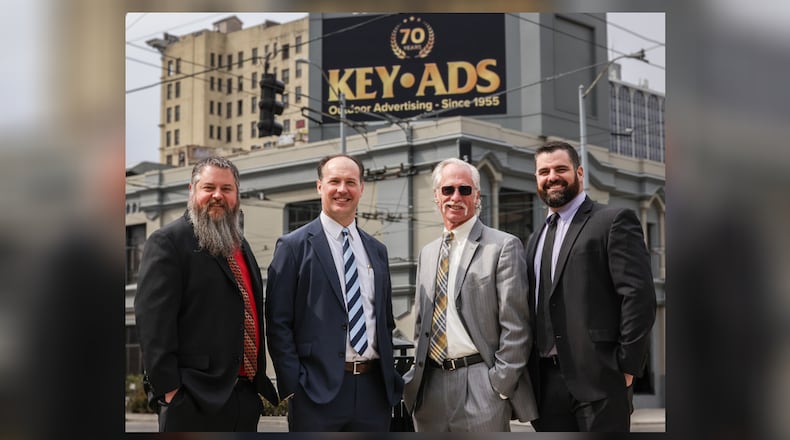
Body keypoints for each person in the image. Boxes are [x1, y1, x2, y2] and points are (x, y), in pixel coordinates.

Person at [134, 156, 278, 432]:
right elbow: (153, 327)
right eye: (208, 187)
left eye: (226, 189)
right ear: (192, 191)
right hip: (193, 399)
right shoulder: (168, 242)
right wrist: (170, 391)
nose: (217, 196)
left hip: (244, 398)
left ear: (237, 195)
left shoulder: (242, 246)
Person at [265, 154, 404, 431]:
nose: (342, 189)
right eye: (334, 181)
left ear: (361, 188)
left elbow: (385, 320)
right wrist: (293, 386)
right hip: (315, 393)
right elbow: (278, 322)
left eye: (350, 182)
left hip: (373, 393)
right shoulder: (292, 247)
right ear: (320, 187)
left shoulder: (377, 251)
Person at [526, 141, 656, 432]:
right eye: (543, 171)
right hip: (546, 386)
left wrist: (627, 367)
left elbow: (638, 297)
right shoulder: (534, 239)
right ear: (536, 179)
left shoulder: (612, 221)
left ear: (579, 172)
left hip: (601, 379)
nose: (552, 177)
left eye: (561, 169)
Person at [402, 158, 538, 431]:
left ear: (477, 197)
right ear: (436, 197)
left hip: (481, 383)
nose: (455, 197)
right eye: (447, 190)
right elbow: (421, 326)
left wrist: (499, 385)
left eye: (465, 190)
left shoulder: (503, 246)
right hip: (430, 387)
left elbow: (516, 325)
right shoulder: (427, 254)